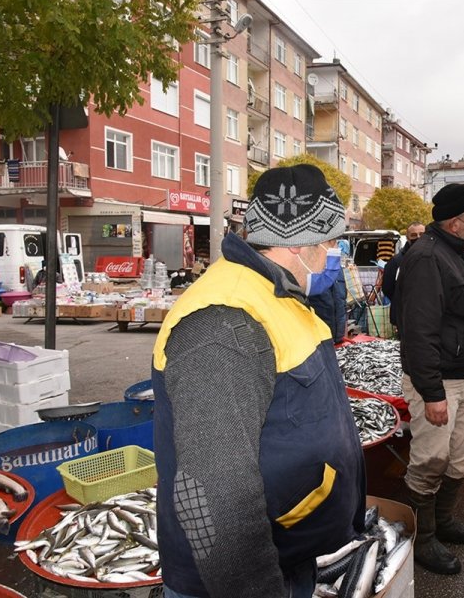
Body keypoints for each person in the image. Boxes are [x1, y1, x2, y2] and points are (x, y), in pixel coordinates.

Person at [151, 164, 366, 598]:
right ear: (300, 243)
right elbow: (212, 497)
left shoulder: (279, 293)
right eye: (330, 241)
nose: (333, 254)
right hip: (240, 581)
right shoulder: (225, 324)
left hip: (290, 551)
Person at [397, 183, 464, 576]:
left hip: (460, 377)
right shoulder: (427, 257)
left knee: (463, 454)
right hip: (435, 381)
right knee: (431, 460)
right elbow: (418, 330)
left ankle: (444, 521)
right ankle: (423, 538)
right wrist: (431, 392)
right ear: (454, 223)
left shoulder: (457, 254)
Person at [381, 221, 425, 327]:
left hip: (427, 316)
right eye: (414, 235)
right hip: (404, 317)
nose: (418, 237)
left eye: (421, 234)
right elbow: (387, 287)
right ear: (408, 238)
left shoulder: (434, 257)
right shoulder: (396, 261)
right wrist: (401, 300)